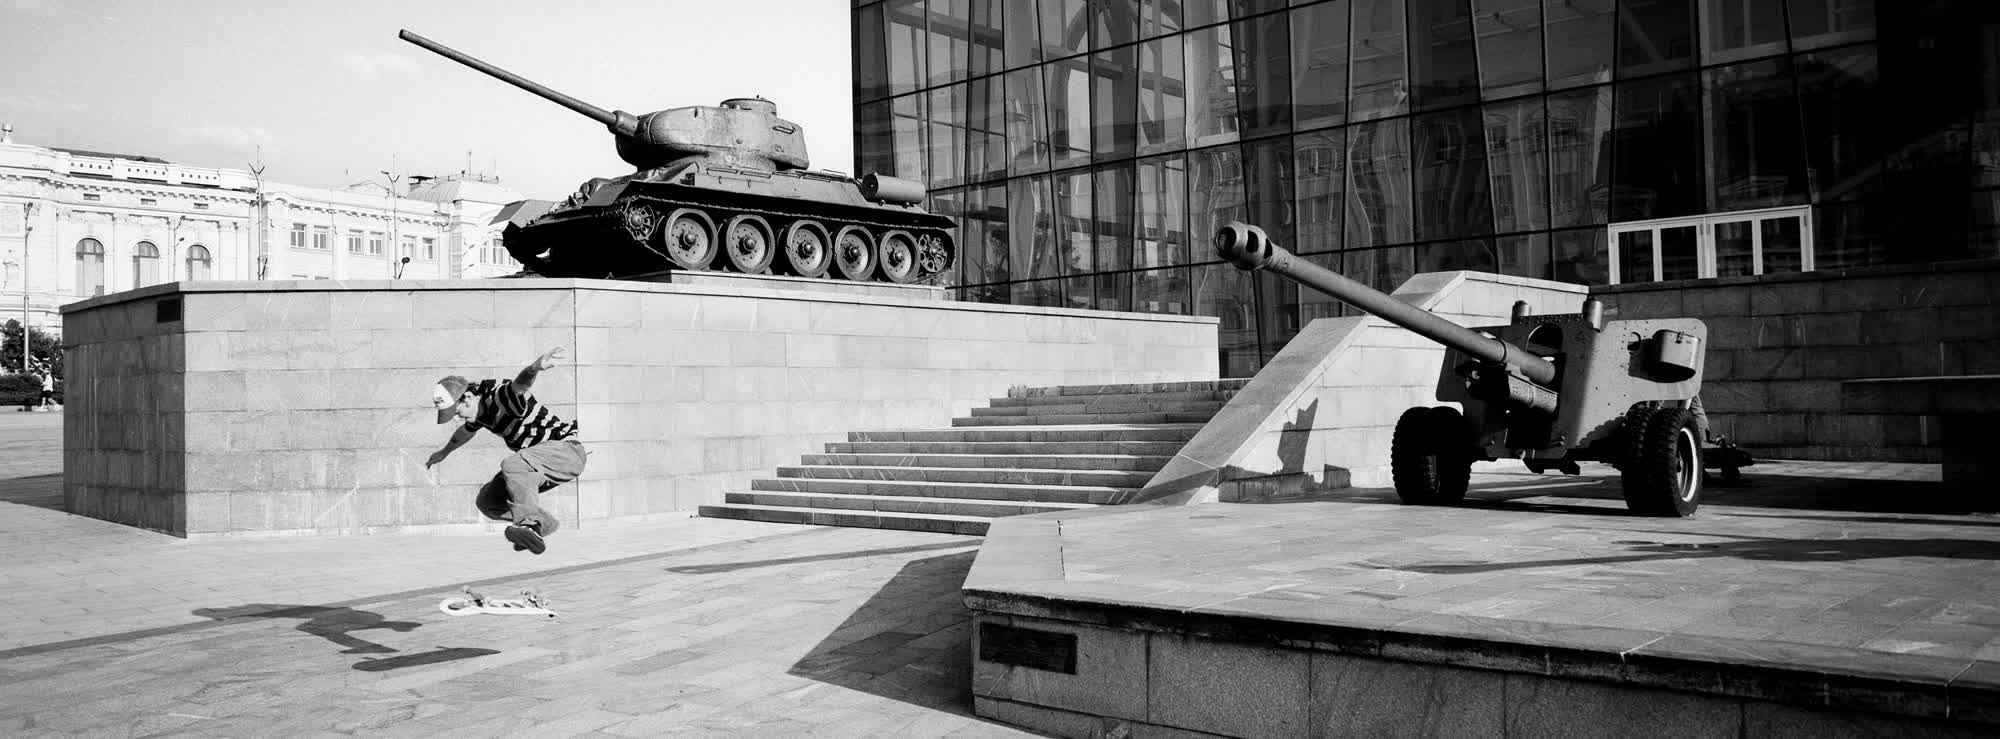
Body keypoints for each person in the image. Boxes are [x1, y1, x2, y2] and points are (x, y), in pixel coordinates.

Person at [424, 347, 585, 555]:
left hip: (565, 452)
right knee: (488, 501)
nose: (457, 418)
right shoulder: (479, 413)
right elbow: (465, 432)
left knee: (512, 464)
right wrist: (443, 453)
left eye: (457, 412)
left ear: (469, 397)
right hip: (538, 464)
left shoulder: (497, 396)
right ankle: (542, 525)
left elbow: (519, 385)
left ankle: (530, 524)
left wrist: (534, 368)